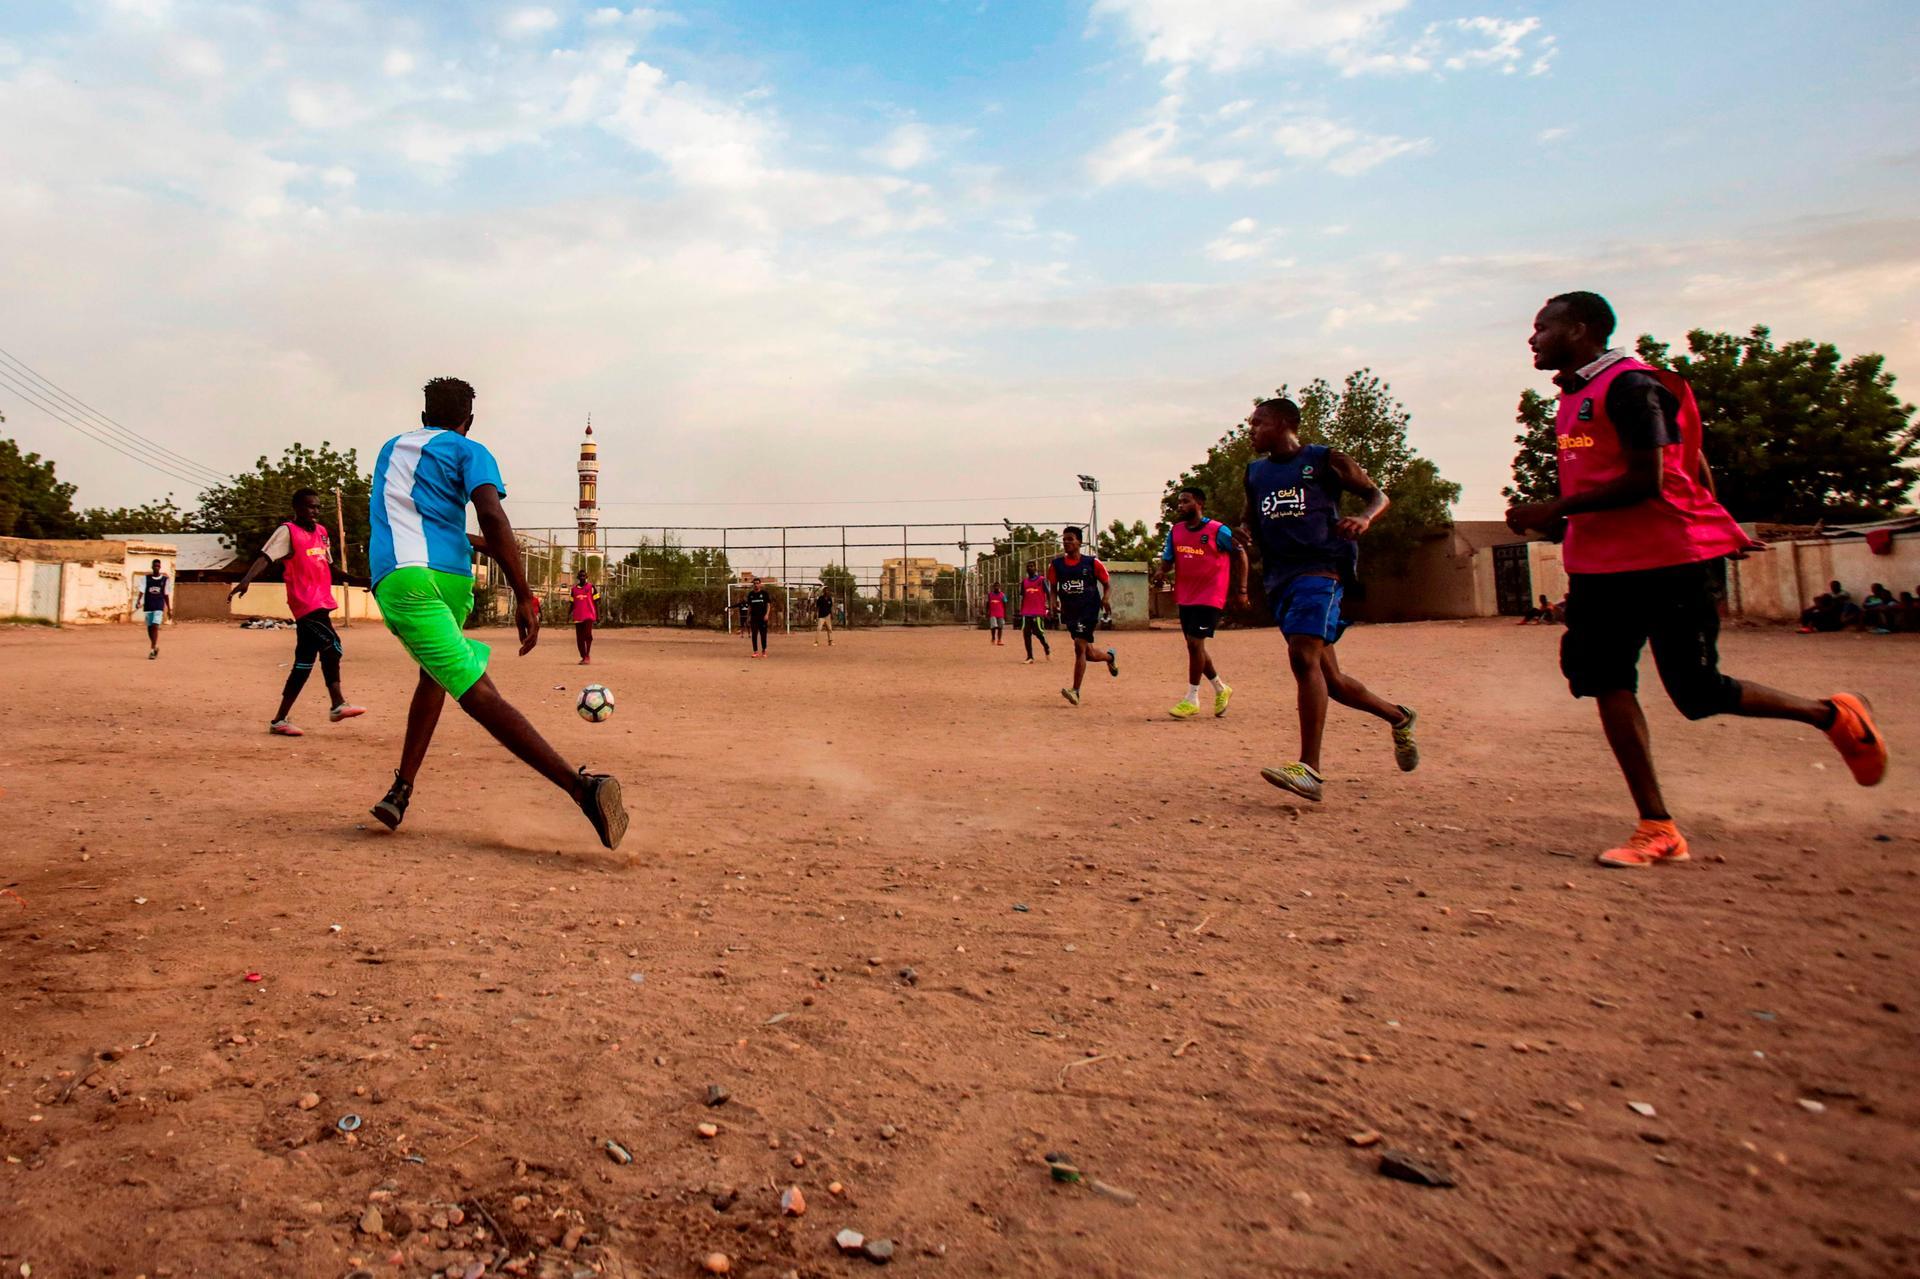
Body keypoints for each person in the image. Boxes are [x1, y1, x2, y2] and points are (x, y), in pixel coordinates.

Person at [1505, 291, 1886, 867]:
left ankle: (1831, 714)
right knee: (1604, 679)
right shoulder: (1574, 396)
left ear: (1580, 330)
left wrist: (1552, 510)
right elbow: (1693, 464)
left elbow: (1653, 480)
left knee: (1696, 691)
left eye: (1541, 328)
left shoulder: (1632, 387)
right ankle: (1656, 825)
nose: (1532, 339)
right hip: (1600, 566)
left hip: (1667, 559)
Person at [364, 376, 626, 849]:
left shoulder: (391, 449)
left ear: (424, 418)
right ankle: (402, 789)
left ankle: (581, 790)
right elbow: (491, 514)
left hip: (407, 580)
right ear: (468, 420)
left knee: (470, 688)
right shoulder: (471, 450)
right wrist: (523, 591)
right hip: (451, 580)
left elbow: (429, 519)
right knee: (440, 675)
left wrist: (518, 584)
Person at [1243, 398, 1418, 803]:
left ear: (1286, 423)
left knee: (1303, 657)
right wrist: (1245, 534)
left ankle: (1310, 770)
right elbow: (1250, 518)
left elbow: (1378, 495)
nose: (1251, 429)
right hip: (1280, 577)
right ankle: (1399, 716)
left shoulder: (1325, 460)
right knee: (1332, 681)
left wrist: (1364, 518)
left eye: (1258, 422)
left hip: (1322, 569)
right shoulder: (1255, 473)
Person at [228, 488, 367, 736]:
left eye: (317, 507)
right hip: (305, 605)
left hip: (323, 603)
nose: (314, 511)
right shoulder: (287, 532)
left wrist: (363, 580)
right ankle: (337, 704)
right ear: (297, 508)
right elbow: (265, 557)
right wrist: (246, 580)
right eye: (309, 507)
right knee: (332, 645)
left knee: (303, 664)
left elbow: (332, 570)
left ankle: (279, 720)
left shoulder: (322, 534)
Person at [1152, 485, 1245, 719]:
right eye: (1179, 502)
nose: (1180, 506)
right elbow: (1167, 561)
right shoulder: (1176, 531)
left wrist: (1242, 590)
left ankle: (1191, 698)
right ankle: (1221, 688)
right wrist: (1160, 572)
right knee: (1195, 647)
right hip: (1186, 596)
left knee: (1195, 644)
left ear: (1199, 503)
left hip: (1211, 595)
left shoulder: (1217, 530)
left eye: (1185, 501)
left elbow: (1241, 553)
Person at [1048, 527, 1117, 705]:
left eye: (1070, 539)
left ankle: (1075, 691)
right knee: (1089, 654)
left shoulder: (1092, 563)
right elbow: (1053, 589)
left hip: (1088, 610)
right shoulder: (1056, 566)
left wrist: (1106, 599)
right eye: (1064, 539)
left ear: (1079, 542)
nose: (1066, 542)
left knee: (1079, 646)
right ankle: (1110, 657)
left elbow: (1107, 585)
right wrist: (1053, 602)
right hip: (1070, 612)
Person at [136, 558, 171, 659]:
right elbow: (142, 591)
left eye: (158, 566)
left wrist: (169, 609)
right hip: (148, 605)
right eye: (155, 566)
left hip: (159, 606)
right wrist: (138, 601)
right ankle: (155, 646)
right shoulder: (146, 579)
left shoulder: (164, 580)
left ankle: (152, 650)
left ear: (160, 567)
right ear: (152, 567)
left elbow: (166, 595)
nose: (156, 567)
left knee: (155, 626)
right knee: (150, 627)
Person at [1017, 561, 1051, 663]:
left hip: (1038, 611)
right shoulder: (1024, 582)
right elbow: (1023, 597)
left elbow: (1048, 594)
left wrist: (1049, 608)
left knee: (1038, 632)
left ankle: (1046, 646)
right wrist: (1021, 609)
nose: (1029, 568)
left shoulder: (1041, 580)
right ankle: (1030, 657)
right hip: (1026, 611)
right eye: (1028, 567)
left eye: (1031, 566)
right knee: (1026, 633)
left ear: (1035, 568)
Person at [569, 568, 600, 664]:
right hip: (578, 616)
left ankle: (587, 655)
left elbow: (597, 602)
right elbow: (572, 603)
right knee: (579, 639)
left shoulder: (591, 587)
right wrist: (568, 615)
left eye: (584, 576)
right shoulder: (573, 590)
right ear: (578, 578)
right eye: (580, 576)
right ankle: (583, 656)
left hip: (589, 615)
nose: (582, 577)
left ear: (586, 577)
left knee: (588, 635)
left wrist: (597, 615)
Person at [747, 577, 772, 658]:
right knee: (754, 634)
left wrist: (767, 614)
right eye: (754, 583)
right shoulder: (751, 594)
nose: (756, 585)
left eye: (757, 583)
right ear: (753, 585)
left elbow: (768, 605)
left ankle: (764, 650)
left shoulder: (764, 594)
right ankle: (755, 651)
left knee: (763, 635)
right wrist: (748, 617)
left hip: (762, 618)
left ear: (760, 584)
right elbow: (749, 606)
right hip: (754, 618)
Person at [985, 582, 1008, 646]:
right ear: (993, 587)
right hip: (993, 613)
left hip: (1000, 613)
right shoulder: (990, 595)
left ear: (999, 587)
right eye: (995, 586)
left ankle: (999, 640)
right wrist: (987, 612)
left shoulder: (1003, 595)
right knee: (993, 626)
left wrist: (1005, 614)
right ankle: (993, 638)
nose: (996, 587)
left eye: (998, 586)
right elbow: (987, 604)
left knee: (1000, 627)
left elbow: (1005, 604)